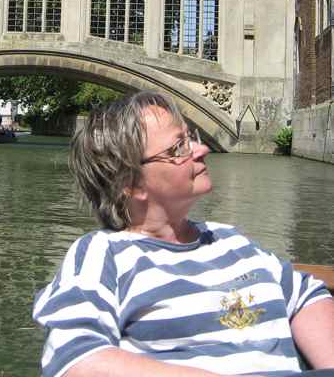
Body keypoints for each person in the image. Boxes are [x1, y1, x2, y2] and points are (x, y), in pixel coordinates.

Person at [33, 91, 334, 377]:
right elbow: (75, 360)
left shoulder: (229, 239)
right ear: (131, 184)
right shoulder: (105, 253)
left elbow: (305, 295)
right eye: (178, 148)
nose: (202, 150)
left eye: (191, 138)